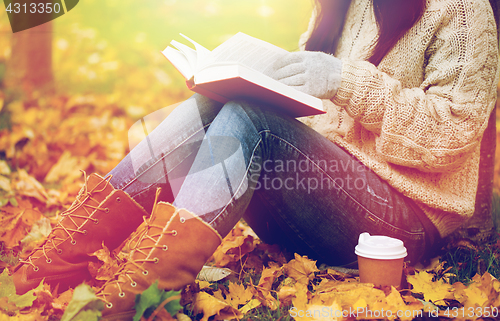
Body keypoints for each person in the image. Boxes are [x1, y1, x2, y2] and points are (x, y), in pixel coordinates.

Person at [11, 0, 499, 319]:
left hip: (398, 224)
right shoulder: (339, 5)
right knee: (214, 104)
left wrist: (345, 81)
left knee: (253, 119)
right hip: (320, 203)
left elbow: (451, 133)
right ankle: (54, 265)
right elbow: (314, 98)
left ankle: (134, 298)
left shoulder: (462, 13)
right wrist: (237, 80)